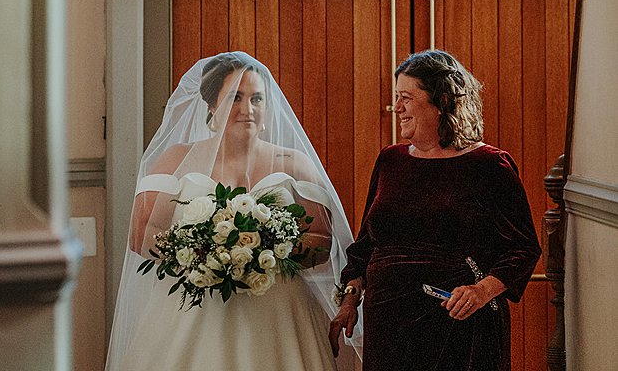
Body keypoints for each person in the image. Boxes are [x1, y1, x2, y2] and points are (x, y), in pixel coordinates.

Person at [106, 52, 359, 371]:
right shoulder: (176, 159)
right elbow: (140, 234)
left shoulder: (294, 163)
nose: (248, 109)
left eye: (257, 99)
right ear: (212, 106)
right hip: (195, 309)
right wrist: (204, 254)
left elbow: (321, 240)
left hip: (279, 313)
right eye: (236, 98)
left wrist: (265, 253)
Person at [329, 50, 541, 371]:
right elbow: (367, 243)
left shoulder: (489, 165)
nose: (396, 107)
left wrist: (481, 291)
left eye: (406, 98)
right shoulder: (391, 160)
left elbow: (523, 248)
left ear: (442, 102)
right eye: (396, 97)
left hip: (457, 323)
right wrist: (349, 299)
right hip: (388, 324)